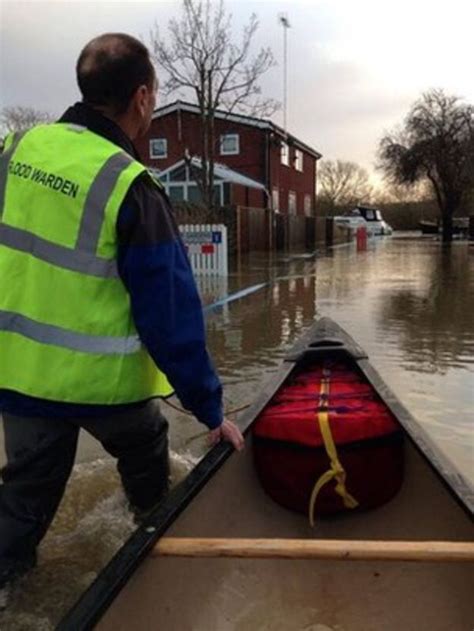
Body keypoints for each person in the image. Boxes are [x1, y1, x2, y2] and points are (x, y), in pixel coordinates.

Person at [0, 32, 244, 601]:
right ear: (141, 98)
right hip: (105, 390)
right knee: (148, 469)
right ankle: (148, 547)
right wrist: (210, 408)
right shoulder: (130, 185)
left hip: (17, 380)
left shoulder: (14, 152)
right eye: (155, 96)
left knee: (20, 511)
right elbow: (171, 316)